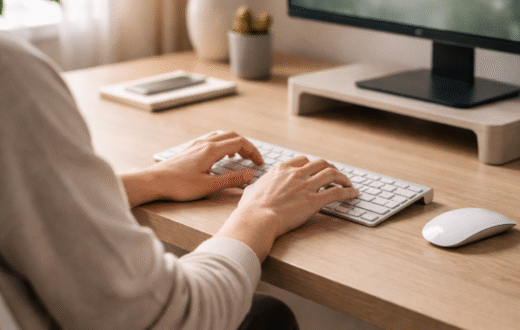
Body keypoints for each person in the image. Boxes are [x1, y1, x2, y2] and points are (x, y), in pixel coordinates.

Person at [0, 33, 359, 330]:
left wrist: (154, 180)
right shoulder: (10, 72)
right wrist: (260, 213)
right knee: (268, 318)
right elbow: (168, 318)